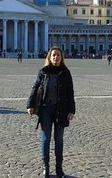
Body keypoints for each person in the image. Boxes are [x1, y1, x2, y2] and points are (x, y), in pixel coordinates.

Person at [27, 46, 75, 178]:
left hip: (61, 109)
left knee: (59, 139)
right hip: (46, 109)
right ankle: (46, 168)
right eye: (53, 55)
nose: (56, 57)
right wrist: (30, 105)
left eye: (58, 55)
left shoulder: (66, 72)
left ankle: (59, 168)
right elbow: (35, 88)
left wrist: (71, 110)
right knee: (46, 138)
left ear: (61, 57)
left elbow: (70, 92)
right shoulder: (43, 71)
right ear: (49, 57)